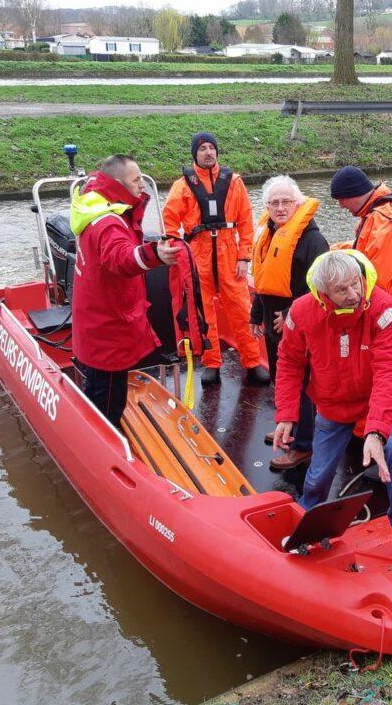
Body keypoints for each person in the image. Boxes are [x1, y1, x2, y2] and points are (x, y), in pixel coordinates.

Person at [272, 250, 392, 555]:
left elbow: (390, 372)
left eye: (355, 284)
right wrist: (286, 414)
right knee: (319, 473)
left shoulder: (385, 310)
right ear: (323, 292)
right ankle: (308, 520)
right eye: (342, 290)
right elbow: (290, 362)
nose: (354, 294)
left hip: (378, 398)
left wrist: (376, 431)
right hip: (332, 403)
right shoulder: (302, 312)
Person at [70, 154, 180, 424]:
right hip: (106, 331)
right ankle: (105, 444)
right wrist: (156, 255)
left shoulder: (95, 210)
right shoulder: (108, 224)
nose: (142, 184)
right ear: (118, 184)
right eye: (136, 179)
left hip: (96, 324)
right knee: (107, 399)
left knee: (100, 387)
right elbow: (121, 258)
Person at [163, 132, 271, 387]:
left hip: (229, 251)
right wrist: (173, 248)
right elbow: (169, 220)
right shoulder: (183, 185)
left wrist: (244, 256)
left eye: (212, 148)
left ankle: (252, 362)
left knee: (242, 309)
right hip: (197, 253)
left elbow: (246, 221)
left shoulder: (234, 182)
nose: (208, 152)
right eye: (203, 149)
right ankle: (212, 363)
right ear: (195, 155)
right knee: (203, 311)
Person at [250, 175, 329, 470]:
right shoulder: (268, 234)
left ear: (298, 204)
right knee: (282, 379)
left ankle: (304, 444)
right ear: (266, 206)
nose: (280, 207)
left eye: (286, 202)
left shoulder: (312, 240)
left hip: (300, 325)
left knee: (303, 384)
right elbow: (263, 280)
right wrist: (256, 314)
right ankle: (290, 426)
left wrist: (293, 314)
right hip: (273, 322)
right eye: (274, 202)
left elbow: (322, 288)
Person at [329, 165, 392, 338]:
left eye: (341, 199)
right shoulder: (375, 214)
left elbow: (377, 277)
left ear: (354, 193)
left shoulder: (385, 219)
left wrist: (342, 299)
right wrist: (331, 251)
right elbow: (363, 247)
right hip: (387, 304)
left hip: (390, 310)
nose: (340, 205)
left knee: (380, 358)